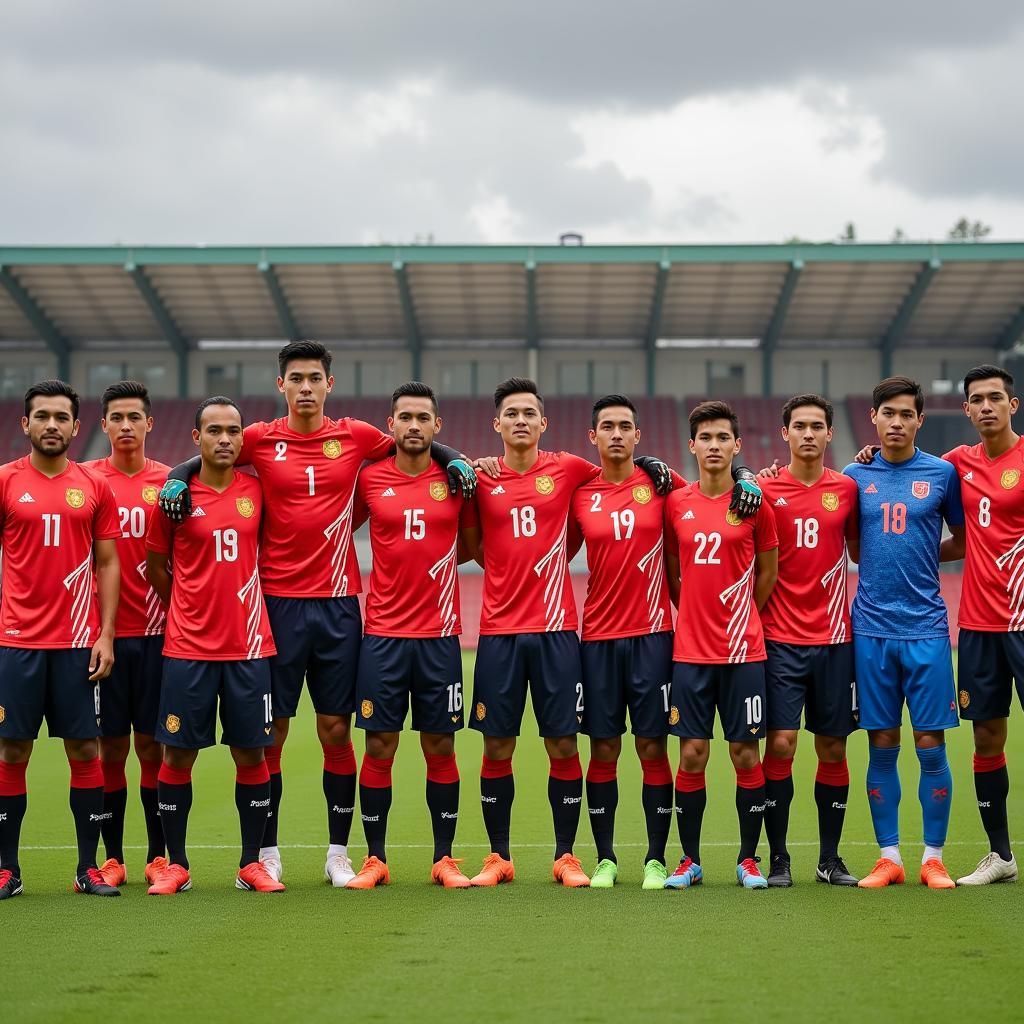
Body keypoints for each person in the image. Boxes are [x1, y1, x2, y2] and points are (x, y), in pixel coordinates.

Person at [158, 340, 476, 887]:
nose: (305, 387)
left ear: (330, 384)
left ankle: (338, 852)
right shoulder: (258, 438)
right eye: (295, 378)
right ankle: (269, 852)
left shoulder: (355, 437)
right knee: (272, 734)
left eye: (314, 378)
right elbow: (215, 448)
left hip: (338, 606)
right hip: (275, 606)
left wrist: (456, 458)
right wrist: (178, 475)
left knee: (335, 730)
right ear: (281, 385)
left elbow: (414, 435)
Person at [461, 378, 673, 887]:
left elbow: (619, 470)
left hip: (559, 632)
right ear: (497, 424)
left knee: (564, 746)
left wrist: (653, 464)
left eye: (529, 413)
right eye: (510, 413)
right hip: (499, 631)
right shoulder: (479, 478)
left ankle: (566, 856)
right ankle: (499, 857)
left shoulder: (570, 470)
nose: (520, 421)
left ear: (543, 423)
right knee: (496, 747)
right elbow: (472, 541)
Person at [145, 397, 282, 895]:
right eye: (215, 430)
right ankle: (175, 864)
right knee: (177, 757)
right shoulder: (174, 496)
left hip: (248, 648)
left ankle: (251, 864)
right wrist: (187, 604)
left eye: (234, 430)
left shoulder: (259, 491)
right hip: (188, 650)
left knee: (253, 755)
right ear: (196, 438)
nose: (225, 439)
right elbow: (157, 564)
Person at [346, 382, 474, 890]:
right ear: (391, 424)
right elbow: (338, 526)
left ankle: (443, 858)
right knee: (380, 745)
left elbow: (471, 545)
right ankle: (375, 858)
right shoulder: (370, 479)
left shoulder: (458, 481)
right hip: (382, 635)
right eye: (406, 417)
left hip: (440, 635)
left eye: (424, 417)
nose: (415, 426)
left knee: (440, 745)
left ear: (436, 425)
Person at [0, 379, 121, 900]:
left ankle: (87, 867)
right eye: (41, 416)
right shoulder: (5, 481)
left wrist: (107, 633)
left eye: (61, 417)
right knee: (10, 750)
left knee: (85, 747)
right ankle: (7, 868)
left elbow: (110, 561)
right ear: (24, 424)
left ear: (76, 426)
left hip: (77, 643)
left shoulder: (94, 486)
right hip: (17, 643)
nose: (51, 424)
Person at [845, 376, 964, 890]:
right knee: (882, 742)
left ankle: (933, 858)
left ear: (920, 420)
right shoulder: (855, 474)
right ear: (873, 417)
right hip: (870, 629)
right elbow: (852, 545)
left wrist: (921, 558)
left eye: (906, 414)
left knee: (930, 743)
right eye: (887, 413)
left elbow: (961, 538)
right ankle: (889, 856)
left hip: (927, 629)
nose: (896, 422)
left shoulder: (941, 474)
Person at [663, 401, 778, 891]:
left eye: (721, 438)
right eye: (704, 438)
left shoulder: (756, 505)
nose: (713, 446)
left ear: (737, 445)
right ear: (693, 446)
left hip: (744, 653)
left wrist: (736, 617)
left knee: (745, 754)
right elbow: (671, 572)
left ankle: (748, 860)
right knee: (691, 754)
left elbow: (767, 576)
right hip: (690, 655)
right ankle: (690, 860)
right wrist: (695, 614)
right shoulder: (676, 504)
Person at [756, 395, 860, 887]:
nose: (808, 434)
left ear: (830, 434)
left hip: (836, 640)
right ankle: (778, 858)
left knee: (834, 748)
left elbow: (861, 547)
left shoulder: (848, 487)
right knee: (780, 743)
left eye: (817, 426)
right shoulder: (760, 489)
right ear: (785, 434)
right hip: (779, 640)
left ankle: (830, 859)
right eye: (799, 426)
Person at [85, 380, 170, 888]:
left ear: (149, 424)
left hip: (162, 636)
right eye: (116, 417)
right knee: (109, 749)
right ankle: (113, 857)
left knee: (153, 750)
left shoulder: (171, 482)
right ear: (102, 425)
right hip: (105, 638)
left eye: (134, 417)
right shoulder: (89, 480)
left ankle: (157, 855)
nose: (125, 426)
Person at [943, 364, 1023, 885]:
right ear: (967, 410)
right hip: (976, 624)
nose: (987, 406)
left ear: (1012, 405)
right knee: (987, 737)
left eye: (996, 397)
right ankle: (1001, 856)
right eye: (977, 399)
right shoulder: (956, 464)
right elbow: (904, 475)